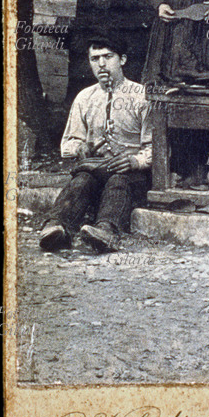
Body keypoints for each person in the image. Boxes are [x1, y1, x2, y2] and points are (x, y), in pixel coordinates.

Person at [39, 33, 152, 253]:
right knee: (81, 181)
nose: (101, 64)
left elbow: (155, 146)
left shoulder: (142, 96)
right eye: (94, 58)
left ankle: (106, 231)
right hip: (95, 170)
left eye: (108, 57)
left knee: (118, 181)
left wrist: (135, 161)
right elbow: (68, 143)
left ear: (123, 60)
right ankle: (56, 228)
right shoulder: (84, 98)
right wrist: (79, 148)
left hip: (131, 175)